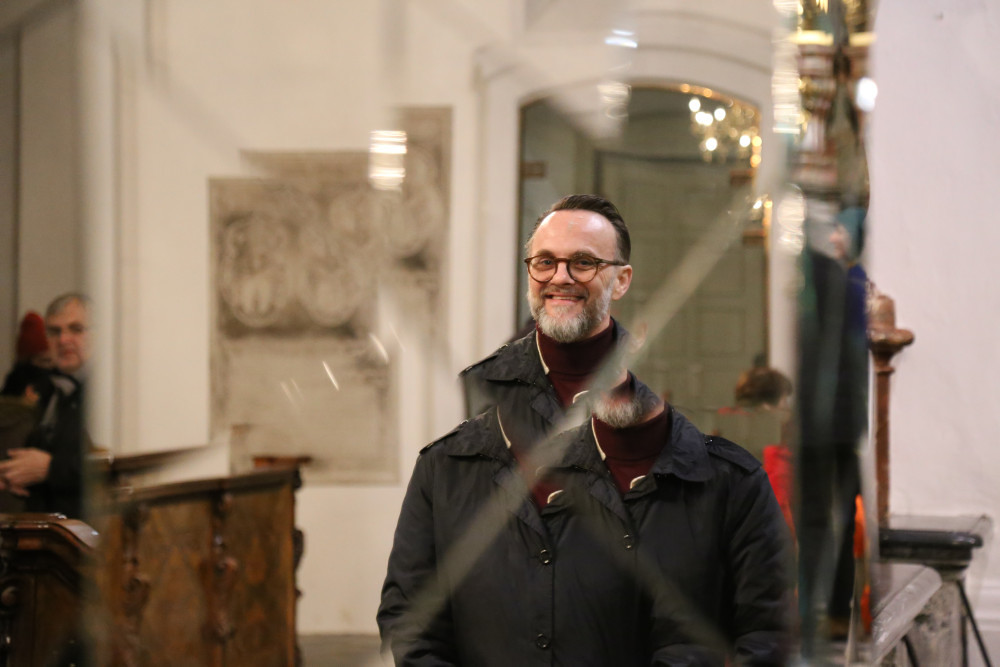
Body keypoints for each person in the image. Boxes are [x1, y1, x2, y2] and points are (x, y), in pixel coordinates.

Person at [378, 195, 792, 663]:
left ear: (621, 280)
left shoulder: (723, 477)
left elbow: (766, 631)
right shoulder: (445, 468)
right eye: (545, 262)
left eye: (583, 262)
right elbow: (412, 620)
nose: (561, 276)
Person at [0, 293, 91, 518]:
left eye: (76, 329)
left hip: (91, 530)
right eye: (54, 331)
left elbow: (117, 467)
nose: (63, 340)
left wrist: (51, 468)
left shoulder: (113, 395)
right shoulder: (48, 388)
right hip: (48, 528)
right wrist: (13, 474)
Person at [1, 311, 56, 408]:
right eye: (44, 361)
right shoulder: (17, 379)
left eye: (52, 361)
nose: (49, 366)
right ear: (27, 360)